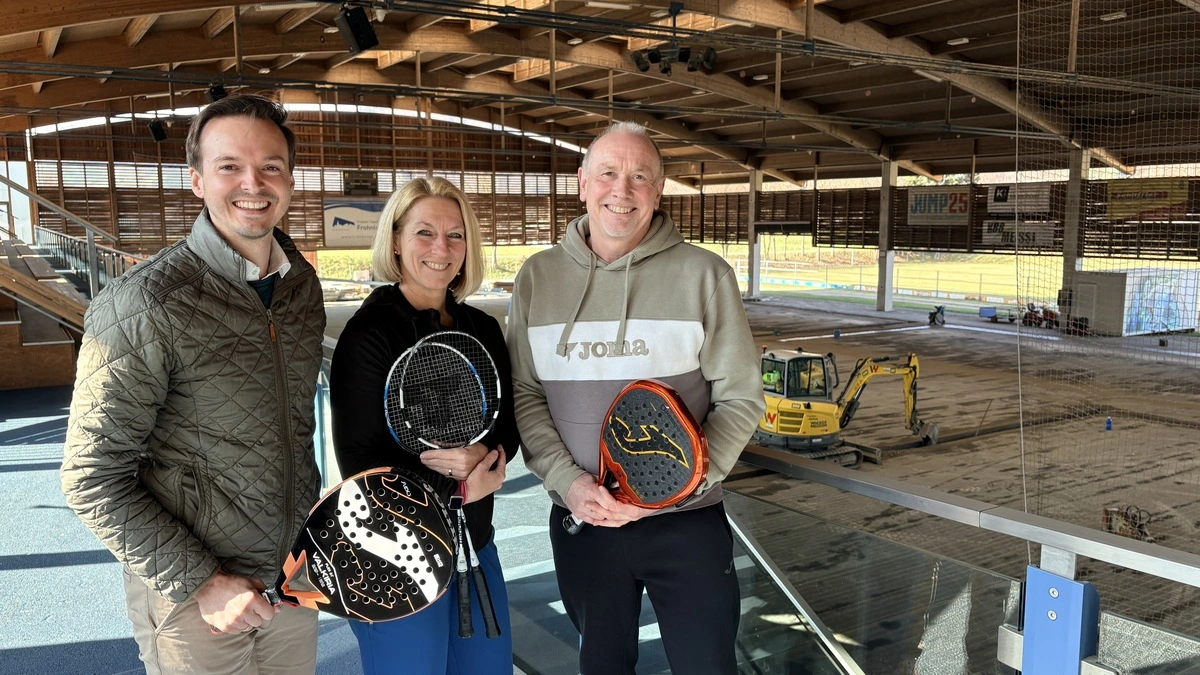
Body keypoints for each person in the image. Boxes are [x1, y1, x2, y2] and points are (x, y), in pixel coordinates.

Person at [60, 94, 326, 674]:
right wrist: (203, 582)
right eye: (229, 166)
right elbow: (91, 477)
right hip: (195, 598)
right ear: (198, 181)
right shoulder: (145, 302)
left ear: (289, 179)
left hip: (292, 580)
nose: (252, 183)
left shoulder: (301, 287)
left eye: (271, 166)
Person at [506, 121, 765, 674]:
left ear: (659, 189)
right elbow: (526, 394)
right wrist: (569, 483)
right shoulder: (537, 278)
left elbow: (741, 398)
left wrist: (681, 484)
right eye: (607, 173)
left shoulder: (705, 275)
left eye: (639, 177)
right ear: (582, 183)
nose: (621, 191)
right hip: (584, 519)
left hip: (687, 523)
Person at [329, 176, 517, 675]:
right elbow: (361, 463)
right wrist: (460, 488)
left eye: (455, 235)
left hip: (473, 546)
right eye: (424, 233)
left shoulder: (482, 328)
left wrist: (487, 460)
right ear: (395, 241)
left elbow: (507, 428)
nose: (442, 248)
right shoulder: (369, 334)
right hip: (396, 557)